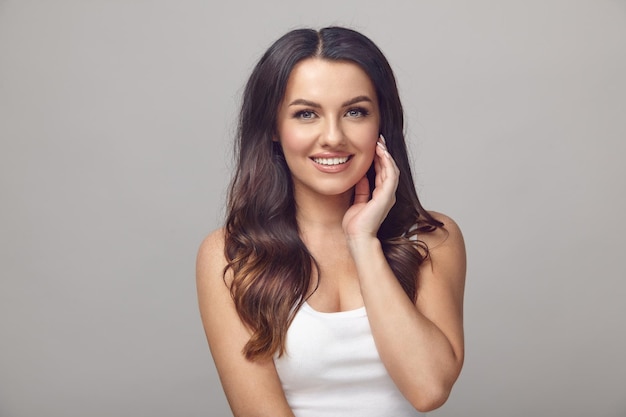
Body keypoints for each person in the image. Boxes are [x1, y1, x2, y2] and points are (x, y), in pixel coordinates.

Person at [196, 26, 466, 417]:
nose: (333, 137)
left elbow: (429, 389)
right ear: (274, 127)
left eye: (355, 112)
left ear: (381, 124)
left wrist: (363, 241)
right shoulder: (231, 256)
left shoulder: (432, 239)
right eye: (306, 114)